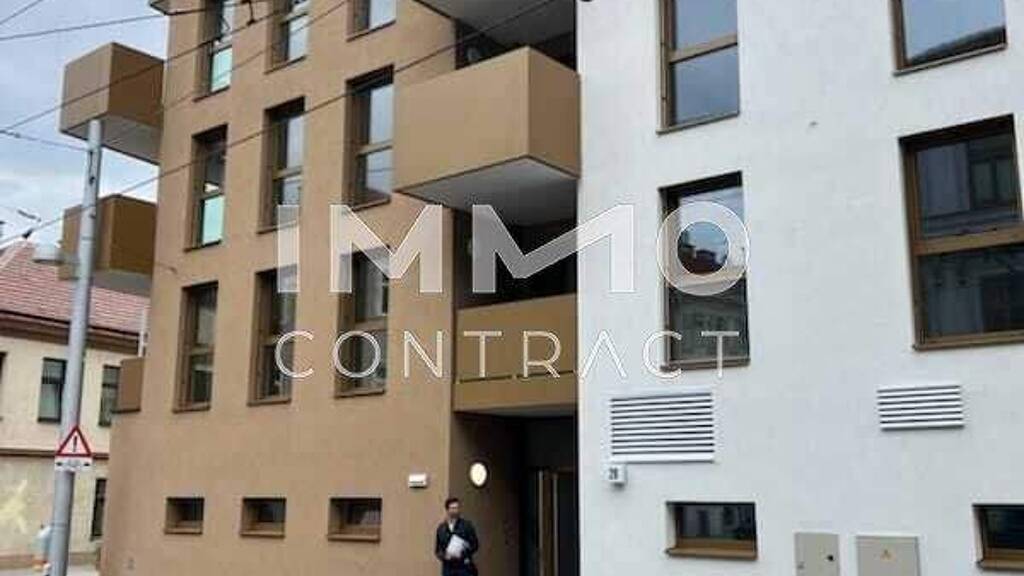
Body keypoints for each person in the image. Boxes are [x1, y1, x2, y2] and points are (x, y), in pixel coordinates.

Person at [434, 497, 479, 576]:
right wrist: (444, 556)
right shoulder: (441, 529)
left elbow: (475, 545)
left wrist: (464, 551)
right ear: (447, 510)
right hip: (448, 569)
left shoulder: (466, 526)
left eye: (457, 508)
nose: (456, 510)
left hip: (464, 567)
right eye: (453, 508)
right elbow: (438, 550)